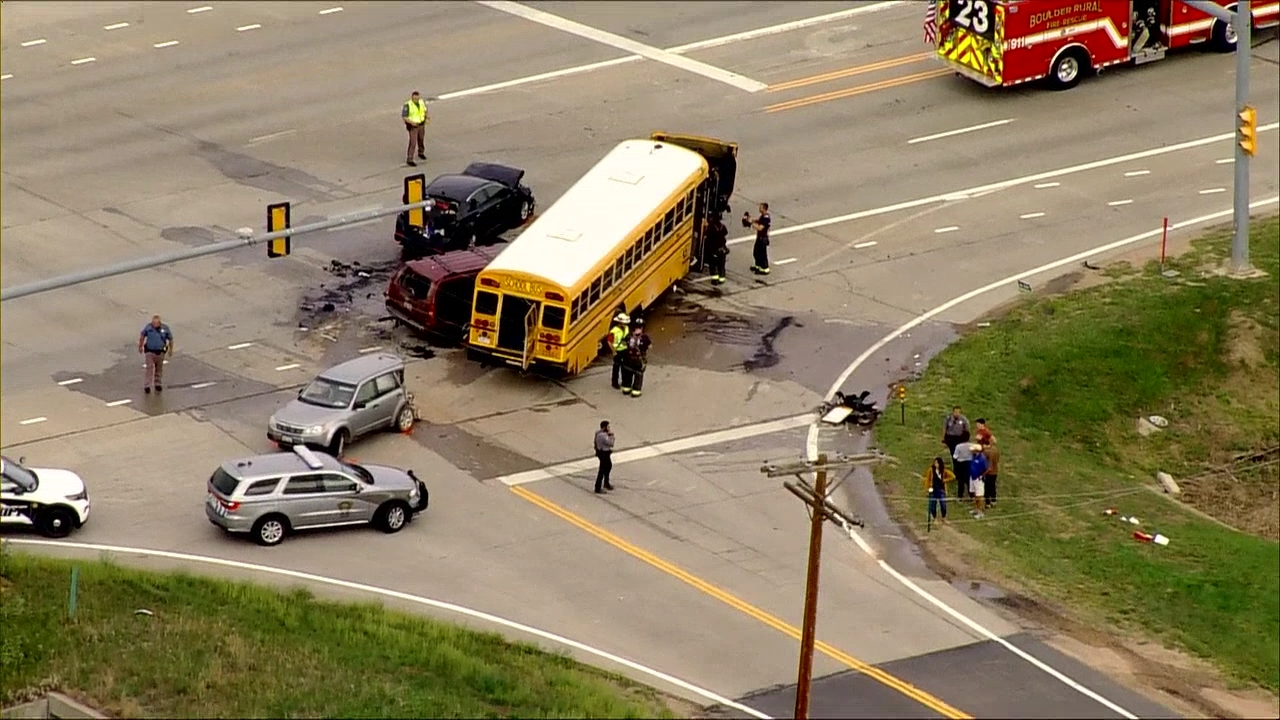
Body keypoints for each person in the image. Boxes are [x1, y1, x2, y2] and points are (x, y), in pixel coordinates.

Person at [138, 315, 173, 394]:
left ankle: (158, 383)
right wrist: (140, 346)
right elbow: (142, 336)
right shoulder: (148, 328)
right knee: (149, 368)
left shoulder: (165, 329)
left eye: (156, 323)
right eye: (153, 323)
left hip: (160, 352)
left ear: (159, 323)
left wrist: (170, 349)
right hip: (149, 352)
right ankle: (147, 385)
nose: (154, 324)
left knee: (159, 368)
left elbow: (170, 339)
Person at [621, 318, 652, 398]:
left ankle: (626, 388)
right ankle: (636, 391)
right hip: (638, 360)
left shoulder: (628, 336)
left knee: (628, 373)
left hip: (627, 359)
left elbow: (623, 344)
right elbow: (650, 346)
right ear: (642, 328)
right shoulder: (644, 338)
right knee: (638, 374)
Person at [922, 457, 954, 527]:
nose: (936, 464)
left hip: (941, 490)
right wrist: (927, 489)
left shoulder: (943, 471)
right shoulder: (931, 470)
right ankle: (934, 518)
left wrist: (945, 480)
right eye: (935, 463)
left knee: (943, 504)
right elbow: (927, 479)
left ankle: (944, 518)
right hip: (933, 489)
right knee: (933, 505)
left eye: (937, 463)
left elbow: (952, 476)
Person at [402, 91, 430, 167]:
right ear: (412, 97)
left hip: (421, 124)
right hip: (413, 126)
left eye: (417, 98)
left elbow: (425, 110)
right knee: (413, 142)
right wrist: (411, 122)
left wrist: (427, 117)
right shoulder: (407, 105)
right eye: (414, 98)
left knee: (421, 139)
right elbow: (404, 117)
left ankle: (421, 152)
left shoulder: (421, 102)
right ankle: (410, 159)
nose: (416, 100)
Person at [742, 202, 772, 275]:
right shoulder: (762, 216)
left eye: (761, 207)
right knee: (756, 252)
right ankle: (757, 265)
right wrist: (750, 219)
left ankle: (764, 268)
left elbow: (760, 228)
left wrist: (751, 223)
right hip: (759, 238)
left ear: (764, 209)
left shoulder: (766, 218)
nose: (759, 208)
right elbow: (758, 221)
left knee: (762, 254)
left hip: (763, 238)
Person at [703, 212, 729, 285]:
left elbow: (707, 235)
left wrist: (706, 227)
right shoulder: (722, 226)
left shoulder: (711, 228)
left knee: (713, 264)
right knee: (721, 265)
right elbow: (725, 233)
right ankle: (722, 278)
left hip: (714, 249)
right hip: (722, 249)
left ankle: (715, 279)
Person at [607, 312, 630, 390]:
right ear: (620, 323)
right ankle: (615, 383)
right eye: (624, 323)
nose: (625, 324)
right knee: (616, 367)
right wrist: (614, 351)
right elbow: (609, 342)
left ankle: (624, 381)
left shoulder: (626, 328)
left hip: (625, 350)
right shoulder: (614, 331)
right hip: (617, 351)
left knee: (625, 367)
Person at [594, 420, 615, 494]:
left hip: (601, 452)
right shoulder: (603, 435)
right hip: (604, 453)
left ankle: (606, 482)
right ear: (604, 427)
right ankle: (598, 487)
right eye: (608, 427)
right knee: (602, 470)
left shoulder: (598, 433)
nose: (609, 428)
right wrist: (612, 436)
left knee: (608, 466)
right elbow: (611, 443)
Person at [968, 444, 988, 518]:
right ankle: (976, 509)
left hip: (978, 479)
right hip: (972, 477)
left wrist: (982, 475)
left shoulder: (982, 459)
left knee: (979, 496)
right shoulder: (973, 457)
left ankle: (981, 511)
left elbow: (987, 469)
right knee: (974, 494)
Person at [982, 435, 1000, 508]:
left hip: (988, 472)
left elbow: (988, 466)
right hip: (995, 471)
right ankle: (994, 500)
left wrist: (983, 474)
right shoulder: (995, 449)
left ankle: (988, 503)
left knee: (987, 487)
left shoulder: (986, 452)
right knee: (993, 486)